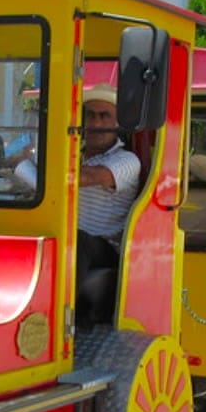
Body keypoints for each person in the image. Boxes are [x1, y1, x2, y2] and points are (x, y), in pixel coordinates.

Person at [76, 86, 141, 320]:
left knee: (75, 240)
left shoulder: (127, 160)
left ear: (117, 124)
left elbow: (87, 178)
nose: (96, 123)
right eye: (90, 115)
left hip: (105, 246)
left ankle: (63, 316)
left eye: (105, 116)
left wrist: (26, 167)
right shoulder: (72, 155)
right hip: (71, 237)